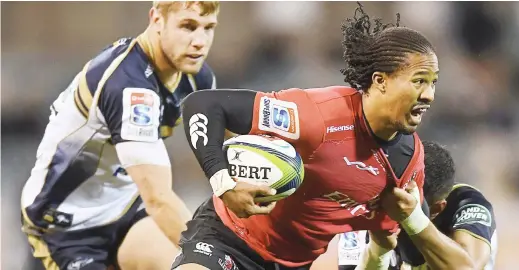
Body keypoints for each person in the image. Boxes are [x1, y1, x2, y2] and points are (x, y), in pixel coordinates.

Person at [173, 4, 473, 270]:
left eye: (433, 83)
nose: (429, 95)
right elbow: (203, 105)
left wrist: (410, 221)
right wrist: (224, 184)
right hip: (226, 237)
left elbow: (415, 254)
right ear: (380, 81)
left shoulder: (406, 164)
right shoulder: (317, 117)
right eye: (419, 82)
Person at [20, 2, 220, 269]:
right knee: (209, 256)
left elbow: (226, 145)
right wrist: (218, 253)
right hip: (66, 227)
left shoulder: (196, 79)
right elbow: (159, 200)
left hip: (125, 212)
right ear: (157, 19)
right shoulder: (128, 85)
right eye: (187, 26)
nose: (200, 41)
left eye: (209, 28)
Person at [338, 141, 498, 270]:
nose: (394, 206)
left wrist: (412, 218)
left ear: (436, 209)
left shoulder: (466, 203)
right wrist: (378, 251)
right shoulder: (369, 206)